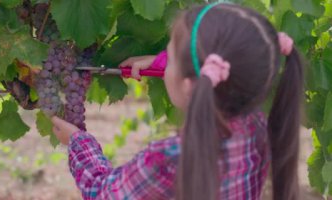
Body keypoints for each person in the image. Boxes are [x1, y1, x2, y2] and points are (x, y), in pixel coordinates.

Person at [51, 2, 303, 200]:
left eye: (169, 55)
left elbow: (103, 193)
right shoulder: (259, 130)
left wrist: (78, 144)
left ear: (189, 83)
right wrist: (163, 62)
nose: (165, 59)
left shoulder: (167, 159)